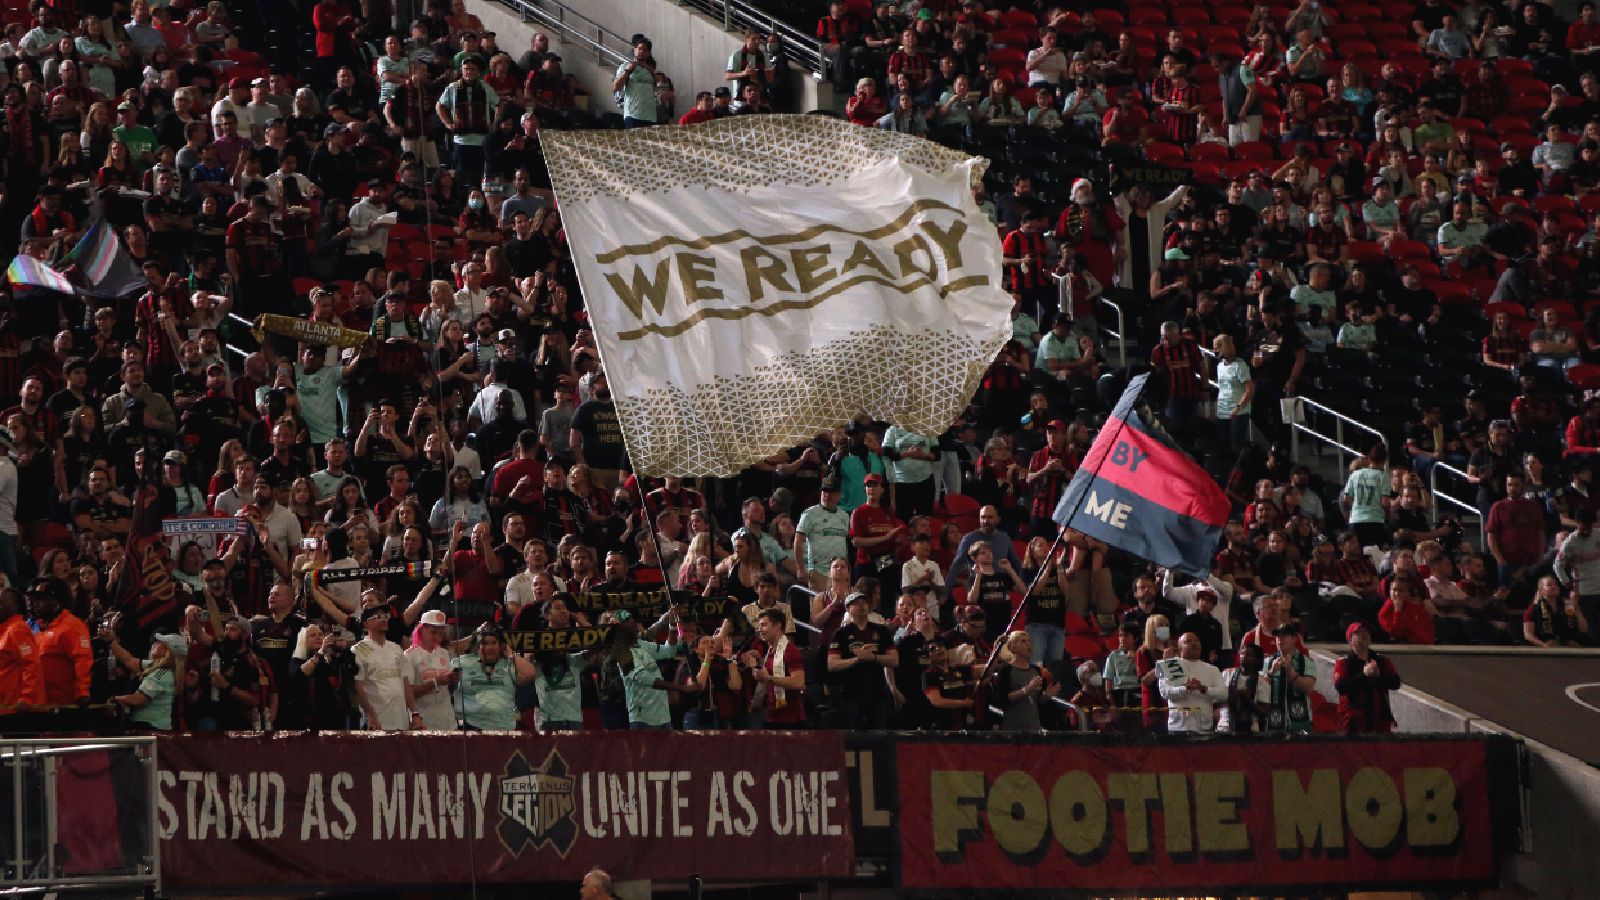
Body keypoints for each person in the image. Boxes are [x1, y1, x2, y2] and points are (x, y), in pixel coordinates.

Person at [449, 624, 534, 730]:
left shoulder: (508, 663)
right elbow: (447, 649)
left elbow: (530, 674)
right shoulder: (461, 663)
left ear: (500, 646)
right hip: (470, 727)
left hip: (504, 727)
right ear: (476, 647)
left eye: (494, 643)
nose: (489, 647)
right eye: (484, 643)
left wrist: (510, 653)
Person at [352, 605, 421, 731]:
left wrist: (414, 713)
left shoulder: (396, 648)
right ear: (366, 624)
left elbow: (405, 682)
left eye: (385, 616)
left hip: (401, 721)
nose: (384, 619)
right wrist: (370, 715)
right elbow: (358, 687)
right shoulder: (358, 650)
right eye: (378, 617)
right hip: (377, 722)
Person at [1333, 622, 1401, 733]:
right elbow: (1341, 687)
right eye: (1358, 632)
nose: (1364, 634)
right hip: (1353, 723)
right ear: (1350, 641)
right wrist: (1364, 675)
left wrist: (1378, 676)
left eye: (1366, 632)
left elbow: (1396, 683)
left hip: (1380, 722)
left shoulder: (1382, 661)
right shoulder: (1344, 663)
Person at [1157, 632, 1227, 733]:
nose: (1194, 643)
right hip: (1177, 727)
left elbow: (1224, 694)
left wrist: (1203, 689)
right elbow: (1164, 692)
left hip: (1204, 727)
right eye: (1188, 641)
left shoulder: (1212, 669)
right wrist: (1185, 688)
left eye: (1197, 641)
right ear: (1180, 649)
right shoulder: (1169, 665)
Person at [1265, 621, 1317, 733]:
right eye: (1277, 636)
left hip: (1301, 722)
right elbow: (1259, 690)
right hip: (1274, 722)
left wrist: (1291, 672)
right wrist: (1271, 672)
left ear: (1294, 638)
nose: (1280, 639)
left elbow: (1309, 688)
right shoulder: (1267, 662)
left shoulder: (1306, 661)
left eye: (1284, 635)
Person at [0, 587, 41, 716]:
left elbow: (31, 664)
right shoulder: (6, 630)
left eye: (1, 603)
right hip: (6, 706)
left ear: (15, 606)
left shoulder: (18, 629)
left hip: (17, 709)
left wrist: (26, 697)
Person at [1219, 643, 1271, 733]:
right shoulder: (1226, 674)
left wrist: (1248, 701)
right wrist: (1228, 697)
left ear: (1257, 660)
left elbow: (1265, 712)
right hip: (1226, 727)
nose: (1244, 657)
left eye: (1249, 655)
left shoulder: (1262, 681)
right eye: (1242, 653)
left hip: (1251, 730)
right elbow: (1215, 701)